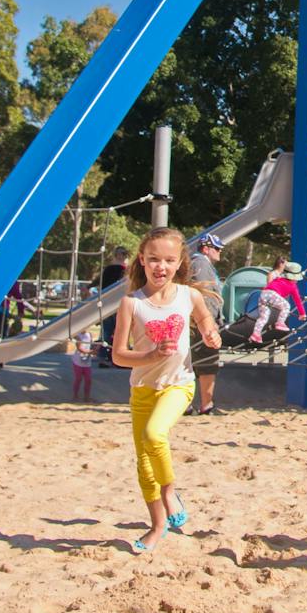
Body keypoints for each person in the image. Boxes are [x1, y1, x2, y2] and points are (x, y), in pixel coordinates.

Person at [111, 227, 222, 554]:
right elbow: (118, 355)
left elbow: (205, 319)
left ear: (179, 263)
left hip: (178, 384)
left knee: (155, 434)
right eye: (154, 260)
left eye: (169, 260)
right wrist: (149, 356)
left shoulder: (189, 296)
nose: (161, 266)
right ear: (142, 261)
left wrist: (210, 333)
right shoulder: (131, 303)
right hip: (142, 389)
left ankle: (170, 492)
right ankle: (157, 525)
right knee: (144, 465)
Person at [186, 232, 226, 417]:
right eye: (217, 248)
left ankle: (190, 405)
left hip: (198, 322)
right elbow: (204, 294)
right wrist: (209, 322)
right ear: (206, 249)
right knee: (207, 362)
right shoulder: (200, 264)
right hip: (201, 323)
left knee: (195, 362)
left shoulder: (199, 263)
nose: (220, 252)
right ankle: (206, 405)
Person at [249, 260, 307, 343]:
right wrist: (302, 314)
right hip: (272, 294)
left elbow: (270, 285)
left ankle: (256, 334)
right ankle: (280, 322)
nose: (297, 281)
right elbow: (297, 300)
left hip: (263, 294)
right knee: (286, 306)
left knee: (263, 317)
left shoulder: (279, 279)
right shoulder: (293, 286)